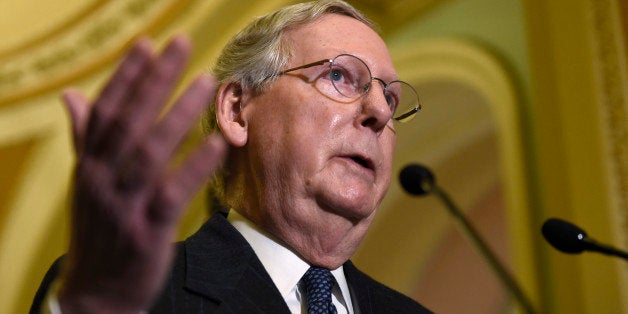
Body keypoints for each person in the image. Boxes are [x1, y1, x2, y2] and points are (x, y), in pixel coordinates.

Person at [31, 1, 430, 313]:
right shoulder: (130, 296)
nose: (379, 110)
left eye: (390, 97)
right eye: (340, 76)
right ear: (237, 111)